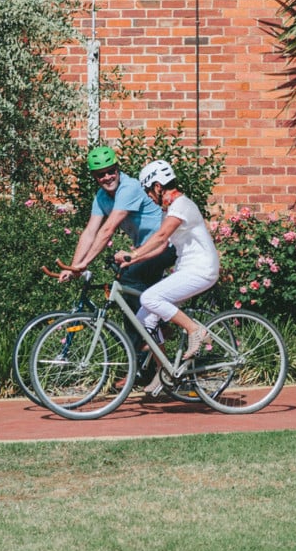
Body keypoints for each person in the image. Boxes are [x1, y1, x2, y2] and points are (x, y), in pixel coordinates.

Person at [115, 158, 221, 377]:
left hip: (201, 269)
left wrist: (134, 252)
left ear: (157, 186)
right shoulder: (170, 209)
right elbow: (163, 244)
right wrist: (133, 260)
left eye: (149, 192)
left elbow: (161, 235)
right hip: (187, 270)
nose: (150, 198)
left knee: (148, 298)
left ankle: (194, 330)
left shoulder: (181, 206)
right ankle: (163, 371)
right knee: (145, 318)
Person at [54, 145, 174, 288]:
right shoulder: (101, 197)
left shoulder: (129, 188)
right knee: (127, 284)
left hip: (166, 244)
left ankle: (161, 310)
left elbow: (108, 230)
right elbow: (89, 232)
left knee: (130, 281)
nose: (107, 177)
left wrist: (84, 263)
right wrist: (73, 267)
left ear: (117, 169)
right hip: (145, 249)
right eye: (101, 174)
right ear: (94, 177)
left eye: (111, 171)